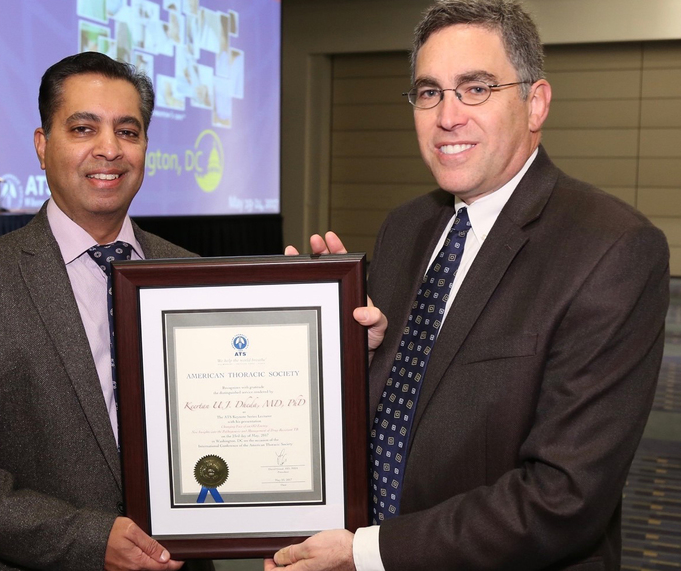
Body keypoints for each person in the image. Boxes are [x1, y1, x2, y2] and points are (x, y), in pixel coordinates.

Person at [273, 1, 670, 570]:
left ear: (535, 104)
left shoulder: (612, 249)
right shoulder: (406, 227)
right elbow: (406, 408)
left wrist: (366, 551)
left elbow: (563, 496)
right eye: (429, 92)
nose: (447, 115)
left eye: (476, 88)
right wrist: (346, 355)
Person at [0, 52, 205, 571]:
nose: (110, 149)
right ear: (43, 146)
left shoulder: (193, 274)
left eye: (128, 132)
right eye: (84, 128)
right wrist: (85, 539)